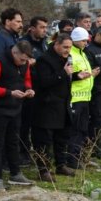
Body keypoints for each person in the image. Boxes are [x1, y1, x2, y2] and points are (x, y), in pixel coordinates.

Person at [0, 40, 36, 192]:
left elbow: (26, 79)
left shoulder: (24, 63)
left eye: (26, 60)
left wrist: (29, 89)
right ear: (14, 52)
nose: (23, 63)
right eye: (21, 60)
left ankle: (15, 173)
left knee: (13, 142)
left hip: (15, 108)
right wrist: (9, 92)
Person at [32, 34, 75, 181]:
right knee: (44, 140)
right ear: (56, 44)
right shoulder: (44, 60)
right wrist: (63, 73)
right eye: (65, 47)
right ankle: (43, 169)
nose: (67, 50)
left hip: (63, 104)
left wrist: (73, 75)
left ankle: (60, 164)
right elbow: (44, 82)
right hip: (47, 105)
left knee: (62, 138)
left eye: (70, 47)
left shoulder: (66, 59)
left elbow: (66, 78)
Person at [19, 16, 49, 165]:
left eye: (46, 27)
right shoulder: (24, 43)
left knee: (39, 122)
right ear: (32, 28)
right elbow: (20, 62)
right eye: (42, 27)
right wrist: (30, 63)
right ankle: (22, 152)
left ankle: (38, 151)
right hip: (28, 87)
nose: (45, 30)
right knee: (25, 122)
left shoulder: (44, 43)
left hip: (42, 87)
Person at [68, 27, 99, 166]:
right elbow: (67, 75)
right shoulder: (70, 54)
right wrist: (78, 76)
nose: (86, 43)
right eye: (83, 41)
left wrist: (91, 74)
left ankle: (79, 156)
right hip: (75, 98)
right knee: (74, 130)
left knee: (82, 129)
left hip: (85, 97)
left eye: (87, 40)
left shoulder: (82, 53)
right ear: (75, 40)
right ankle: (72, 159)